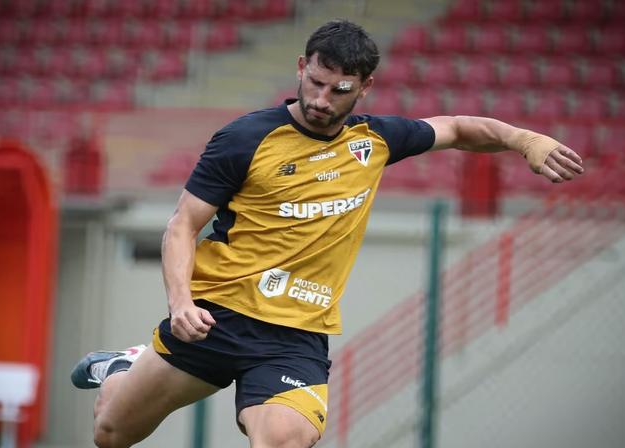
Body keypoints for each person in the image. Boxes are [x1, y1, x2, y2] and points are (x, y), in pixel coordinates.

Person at [70, 19, 584, 448]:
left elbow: (454, 127)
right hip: (213, 316)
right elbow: (182, 225)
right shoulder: (245, 139)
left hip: (294, 337)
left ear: (364, 88)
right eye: (315, 81)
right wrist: (180, 302)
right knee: (111, 434)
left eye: (339, 89)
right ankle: (122, 367)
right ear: (301, 67)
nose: (322, 98)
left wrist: (524, 140)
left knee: (283, 439)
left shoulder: (375, 140)